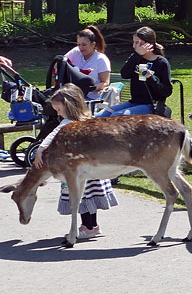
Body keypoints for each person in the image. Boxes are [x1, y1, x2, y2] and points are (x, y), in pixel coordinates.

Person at [32, 83, 118, 239]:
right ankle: (92, 226)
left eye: (59, 110)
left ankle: (88, 227)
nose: (58, 114)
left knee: (82, 197)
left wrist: (40, 150)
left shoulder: (68, 124)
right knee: (91, 197)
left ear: (69, 105)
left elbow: (52, 135)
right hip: (95, 167)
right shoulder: (89, 119)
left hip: (80, 169)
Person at [96, 26, 172, 117]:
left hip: (150, 105)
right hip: (133, 102)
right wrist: (137, 55)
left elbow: (167, 91)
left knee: (116, 117)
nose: (134, 46)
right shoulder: (136, 58)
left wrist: (151, 78)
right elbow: (125, 74)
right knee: (99, 117)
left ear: (149, 44)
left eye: (138, 43)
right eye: (134, 42)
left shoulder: (161, 62)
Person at [63, 26, 111, 101]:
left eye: (84, 45)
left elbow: (105, 83)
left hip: (91, 98)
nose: (81, 48)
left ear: (93, 44)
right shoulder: (76, 52)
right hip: (73, 95)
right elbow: (62, 62)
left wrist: (91, 88)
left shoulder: (101, 59)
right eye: (78, 44)